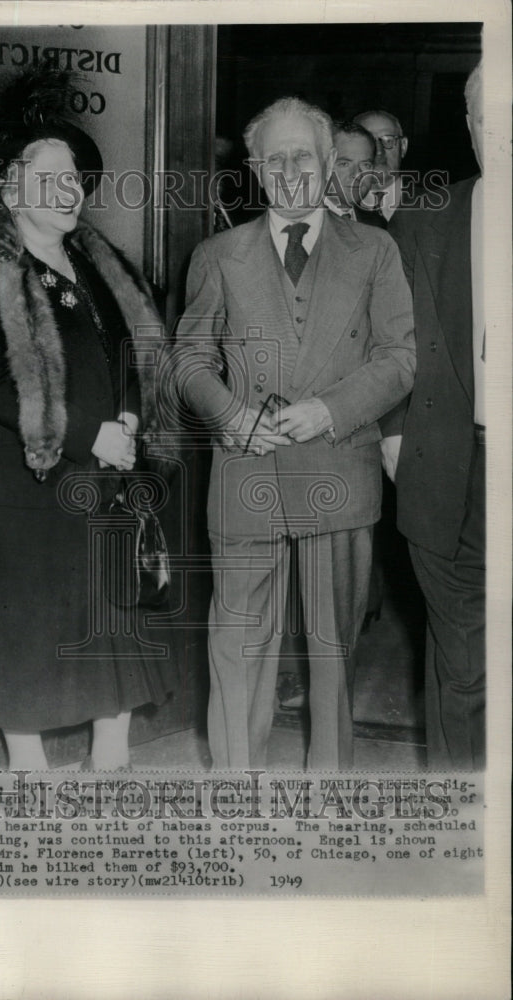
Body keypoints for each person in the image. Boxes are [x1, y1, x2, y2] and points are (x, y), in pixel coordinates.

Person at [0, 69, 175, 772]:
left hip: (100, 479)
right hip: (11, 492)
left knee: (107, 623)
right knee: (18, 640)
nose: (71, 192)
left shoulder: (102, 263)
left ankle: (110, 757)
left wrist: (126, 420)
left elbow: (134, 358)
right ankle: (30, 770)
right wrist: (89, 435)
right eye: (51, 176)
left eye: (78, 180)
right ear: (9, 189)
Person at [172, 96, 416, 769]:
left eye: (301, 156)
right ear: (253, 169)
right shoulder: (218, 253)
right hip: (247, 470)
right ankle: (233, 788)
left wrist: (330, 409)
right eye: (272, 158)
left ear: (327, 162)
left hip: (338, 465)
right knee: (237, 641)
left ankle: (326, 788)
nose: (288, 170)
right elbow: (187, 360)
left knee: (334, 646)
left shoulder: (375, 250)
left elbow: (400, 360)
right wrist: (231, 416)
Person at [382, 62, 485, 769]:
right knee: (462, 665)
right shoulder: (424, 221)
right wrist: (392, 439)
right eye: (488, 115)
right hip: (450, 473)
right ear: (471, 125)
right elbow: (392, 346)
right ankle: (462, 827)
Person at [353, 109, 411, 223]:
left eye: (388, 140)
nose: (379, 151)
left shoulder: (433, 204)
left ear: (403, 147)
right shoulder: (337, 210)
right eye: (368, 142)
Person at [326, 120, 385, 227]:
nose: (357, 174)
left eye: (366, 165)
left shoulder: (375, 223)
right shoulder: (297, 222)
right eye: (344, 164)